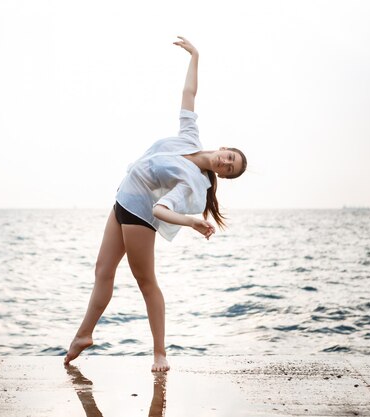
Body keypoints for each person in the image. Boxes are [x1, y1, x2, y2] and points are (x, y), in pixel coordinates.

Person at [64, 36, 247, 372]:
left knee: (146, 282)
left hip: (139, 214)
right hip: (121, 199)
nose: (226, 162)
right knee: (102, 272)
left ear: (226, 174)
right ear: (226, 147)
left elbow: (160, 210)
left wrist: (191, 221)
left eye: (230, 168)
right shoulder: (190, 137)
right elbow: (188, 95)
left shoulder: (193, 181)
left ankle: (160, 353)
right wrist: (195, 55)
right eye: (230, 156)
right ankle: (84, 335)